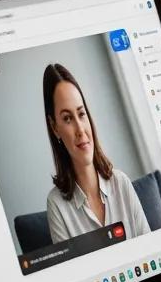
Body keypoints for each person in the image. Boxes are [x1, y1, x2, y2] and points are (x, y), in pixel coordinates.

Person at [43, 61, 151, 244]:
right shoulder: (56, 205)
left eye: (81, 114)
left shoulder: (121, 183)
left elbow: (150, 248)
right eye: (67, 118)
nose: (80, 129)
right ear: (55, 128)